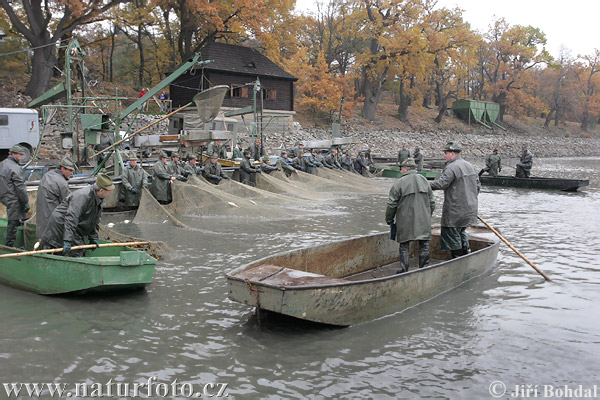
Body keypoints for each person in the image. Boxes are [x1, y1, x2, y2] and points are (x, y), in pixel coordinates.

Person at [41, 174, 115, 257]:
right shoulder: (83, 196)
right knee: (72, 250)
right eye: (109, 190)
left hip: (75, 226)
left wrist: (93, 237)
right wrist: (67, 239)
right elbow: (71, 217)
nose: (111, 192)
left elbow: (94, 219)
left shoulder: (98, 199)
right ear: (101, 190)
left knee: (77, 249)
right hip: (61, 223)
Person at [430, 142, 480, 259]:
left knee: (451, 235)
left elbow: (442, 183)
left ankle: (457, 260)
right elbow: (477, 187)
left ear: (452, 153)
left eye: (446, 153)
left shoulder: (451, 167)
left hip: (455, 211)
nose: (444, 156)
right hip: (469, 210)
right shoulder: (470, 166)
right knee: (461, 232)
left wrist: (424, 184)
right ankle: (467, 256)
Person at [385, 157, 435, 273]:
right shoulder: (424, 180)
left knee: (404, 244)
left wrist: (389, 219)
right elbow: (432, 202)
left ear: (406, 168)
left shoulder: (399, 183)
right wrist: (427, 216)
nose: (401, 171)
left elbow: (391, 203)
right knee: (424, 243)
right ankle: (424, 268)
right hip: (423, 220)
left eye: (401, 169)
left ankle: (404, 270)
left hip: (405, 220)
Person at [36, 156, 75, 239]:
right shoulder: (61, 183)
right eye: (70, 170)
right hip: (52, 220)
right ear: (62, 169)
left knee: (43, 240)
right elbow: (69, 203)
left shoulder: (47, 175)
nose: (72, 173)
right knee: (52, 243)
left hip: (41, 219)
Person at [0, 145, 30, 247]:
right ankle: (10, 245)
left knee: (15, 220)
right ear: (13, 154)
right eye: (20, 155)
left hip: (4, 196)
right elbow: (20, 187)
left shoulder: (3, 164)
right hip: (13, 198)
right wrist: (25, 201)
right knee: (14, 222)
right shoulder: (15, 168)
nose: (22, 157)